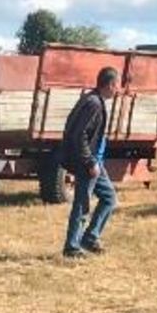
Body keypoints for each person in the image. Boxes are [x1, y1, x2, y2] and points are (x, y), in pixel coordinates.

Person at [61, 66, 120, 257]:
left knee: (109, 198)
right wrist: (89, 162)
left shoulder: (93, 100)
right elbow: (79, 136)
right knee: (82, 204)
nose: (117, 89)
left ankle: (90, 237)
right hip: (89, 162)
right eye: (116, 85)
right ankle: (72, 247)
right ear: (110, 84)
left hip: (96, 161)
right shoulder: (93, 103)